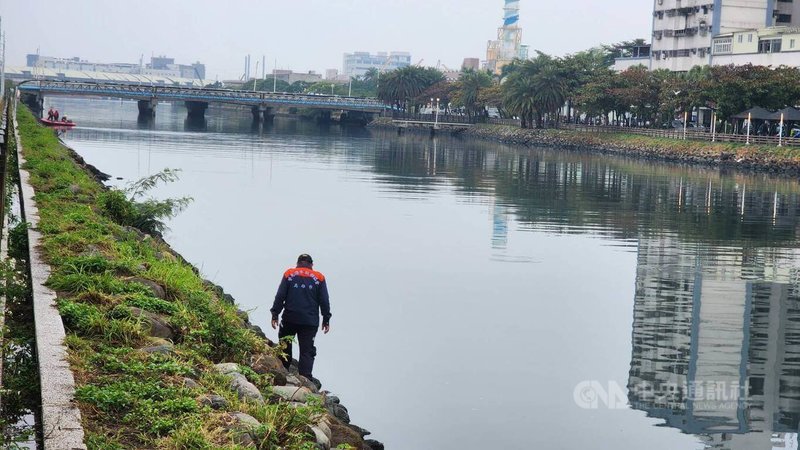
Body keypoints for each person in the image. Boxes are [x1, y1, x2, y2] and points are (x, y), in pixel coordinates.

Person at [271, 254, 331, 380]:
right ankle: (305, 379)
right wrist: (326, 319)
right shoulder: (319, 277)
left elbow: (280, 295)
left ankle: (283, 370)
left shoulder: (289, 274)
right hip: (309, 321)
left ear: (297, 263)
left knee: (285, 342)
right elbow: (324, 300)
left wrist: (275, 313)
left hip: (290, 318)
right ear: (311, 265)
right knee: (307, 350)